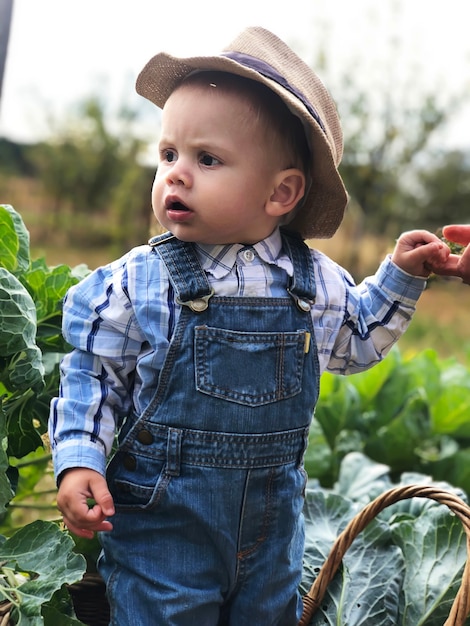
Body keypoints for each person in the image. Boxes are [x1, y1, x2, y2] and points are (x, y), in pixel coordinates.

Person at [49, 27, 452, 626]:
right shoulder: (140, 280)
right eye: (168, 155)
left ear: (281, 192)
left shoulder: (312, 279)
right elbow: (95, 371)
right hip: (163, 530)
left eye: (206, 159)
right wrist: (80, 457)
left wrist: (402, 275)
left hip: (272, 535)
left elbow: (358, 339)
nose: (176, 175)